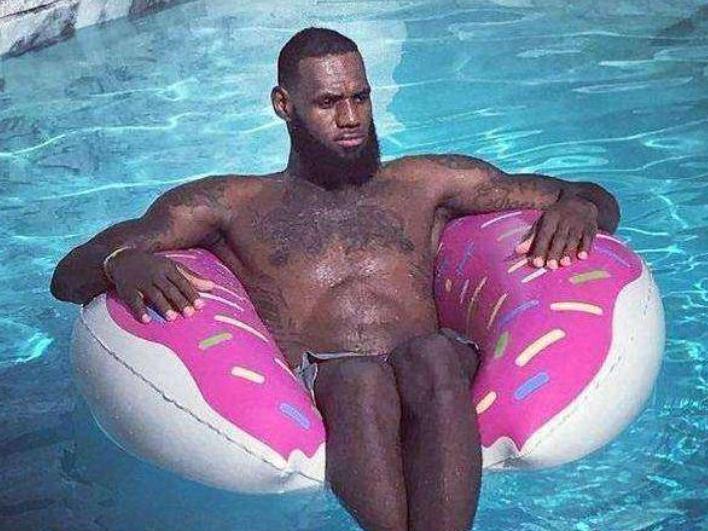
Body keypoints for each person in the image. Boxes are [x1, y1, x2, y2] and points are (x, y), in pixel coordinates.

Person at [50, 27, 620, 531]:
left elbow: (590, 195)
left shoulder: (426, 181)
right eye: (328, 102)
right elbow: (67, 274)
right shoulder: (231, 203)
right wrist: (119, 262)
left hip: (434, 374)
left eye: (360, 98)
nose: (350, 119)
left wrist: (581, 207)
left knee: (430, 355)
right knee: (358, 379)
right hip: (329, 385)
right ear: (284, 105)